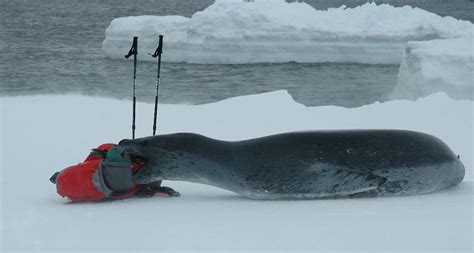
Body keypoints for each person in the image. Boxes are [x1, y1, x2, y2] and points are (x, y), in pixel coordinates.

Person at [49, 143, 179, 202]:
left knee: (109, 151)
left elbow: (118, 194)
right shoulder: (69, 179)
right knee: (107, 147)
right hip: (115, 178)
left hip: (117, 186)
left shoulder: (71, 195)